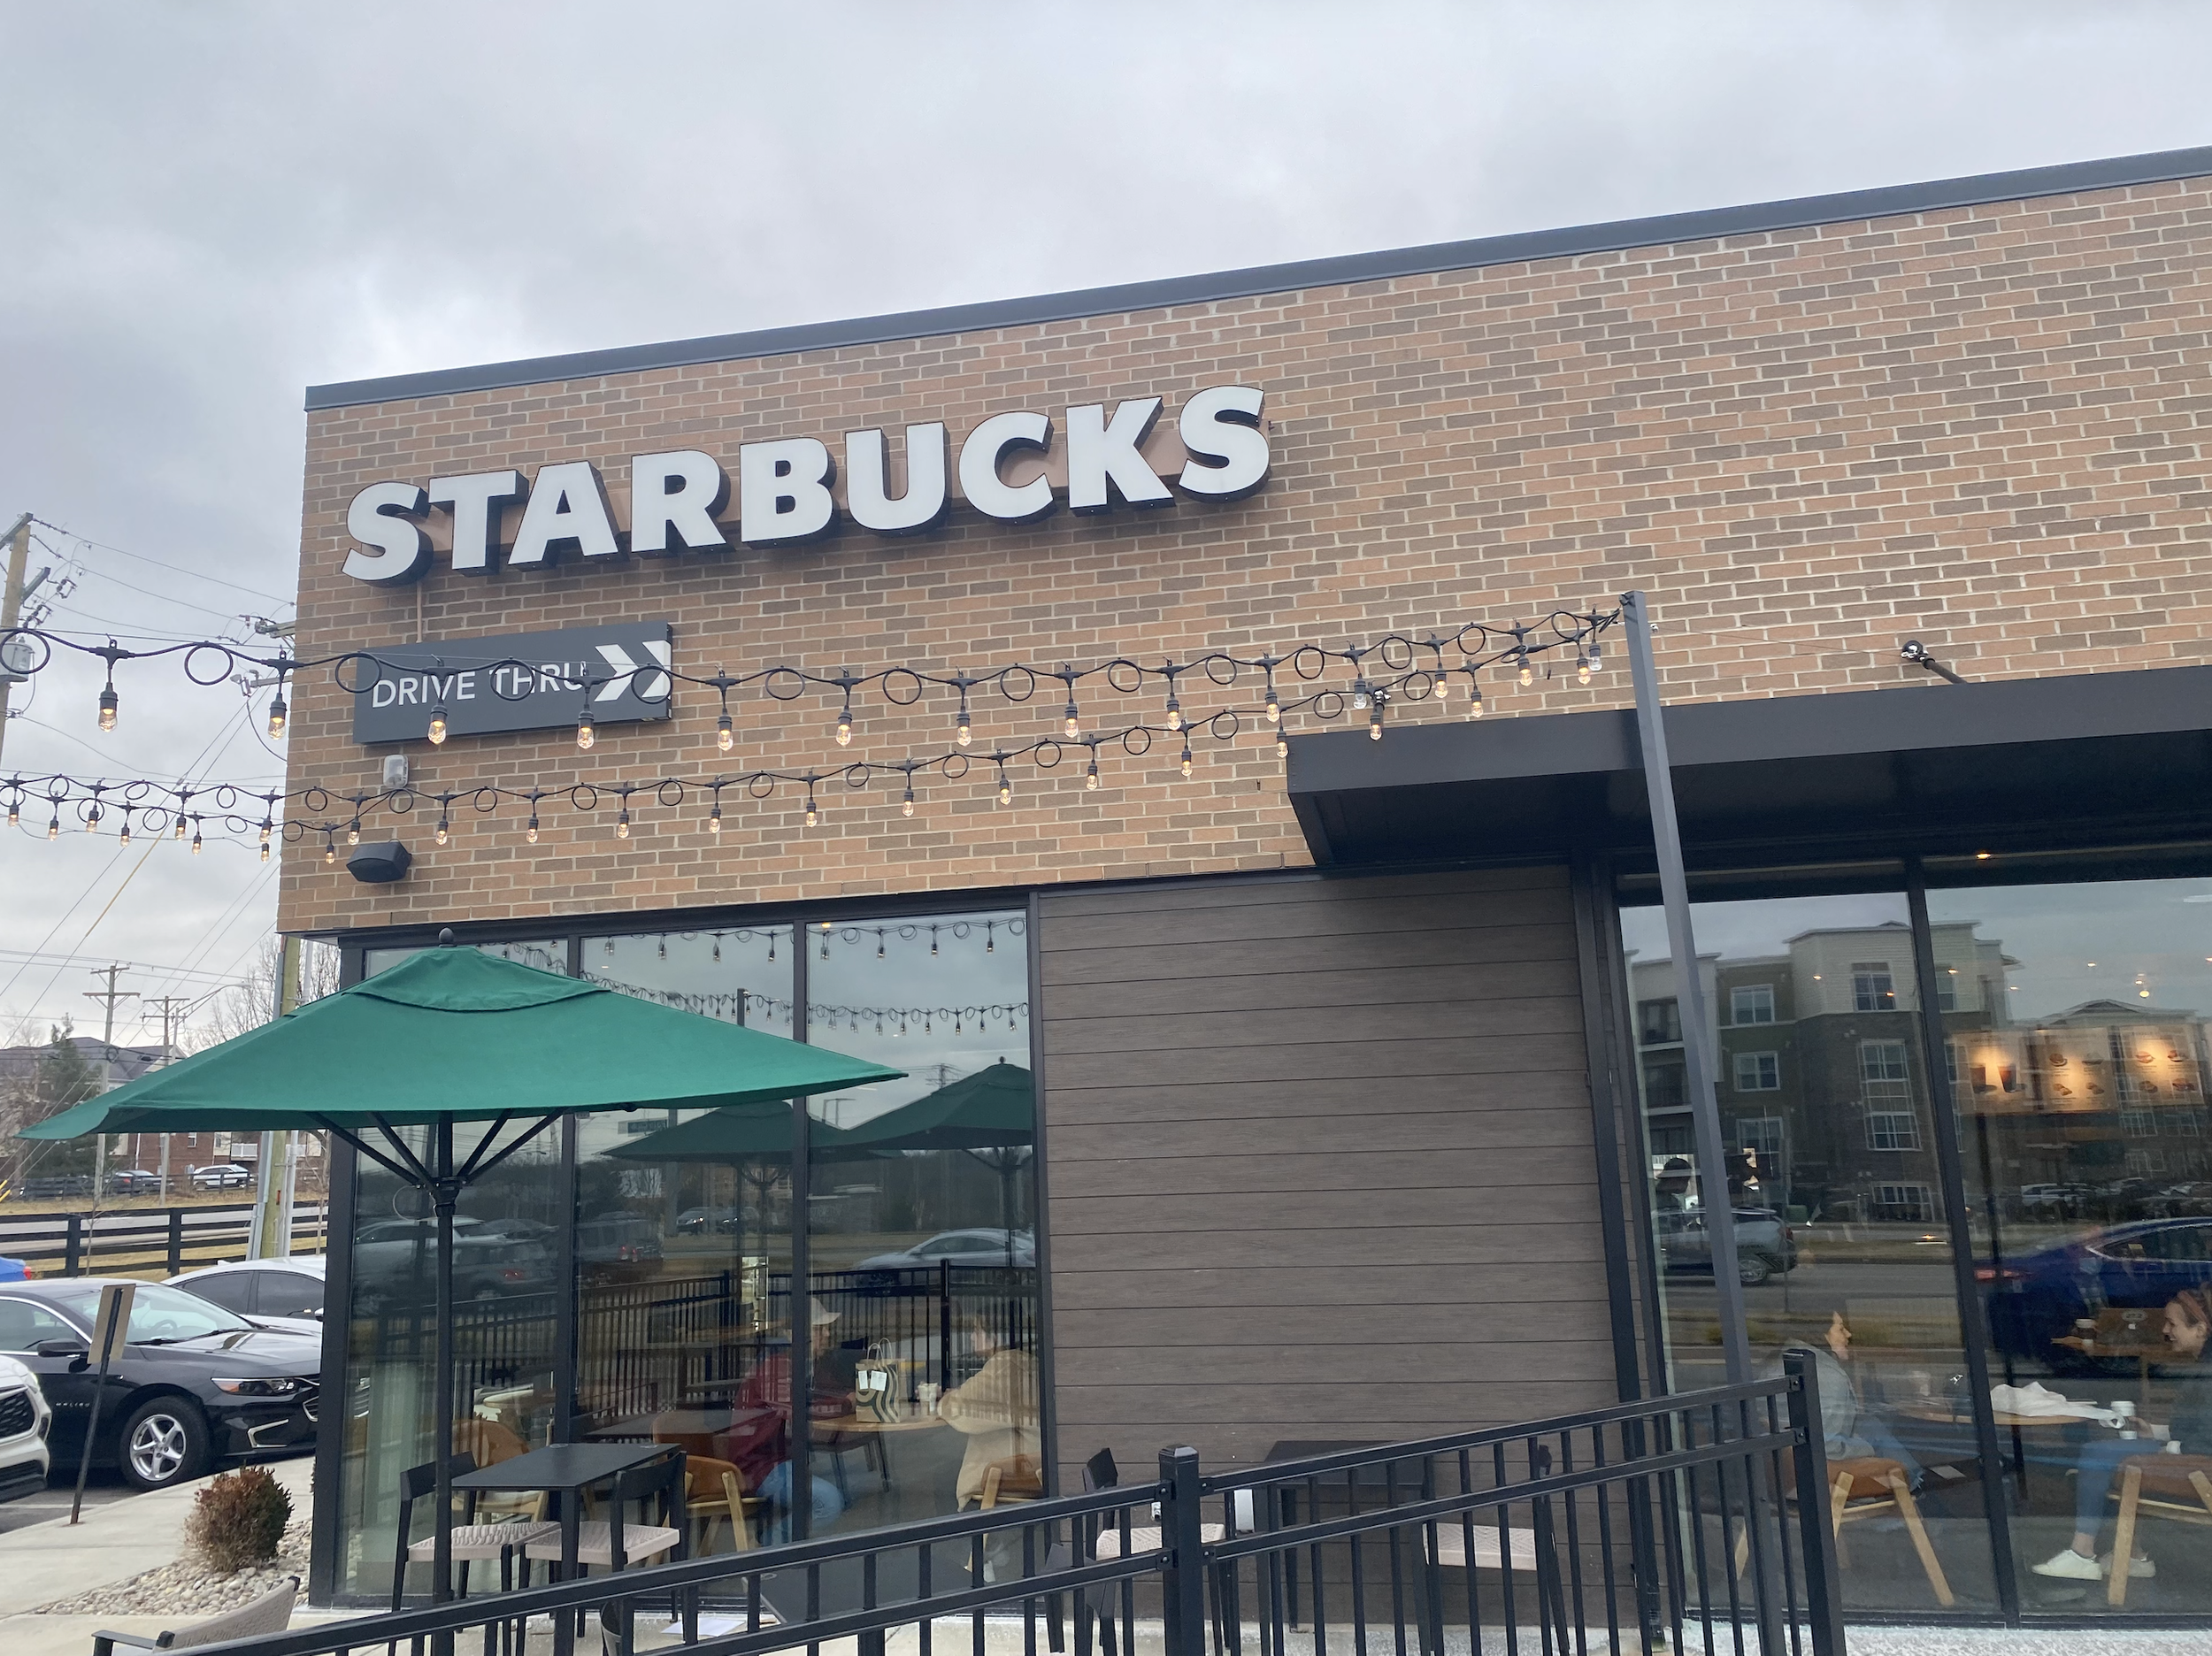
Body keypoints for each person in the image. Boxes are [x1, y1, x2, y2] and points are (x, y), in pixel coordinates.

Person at [2031, 1288, 2212, 1583]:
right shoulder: (2204, 1365)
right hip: (2196, 1461)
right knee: (2111, 1453)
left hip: (2201, 1470)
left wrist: (2166, 1447)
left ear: (2200, 1328)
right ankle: (2133, 1554)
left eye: (2172, 1324)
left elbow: (2206, 1440)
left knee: (2098, 1454)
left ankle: (2082, 1553)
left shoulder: (2209, 1372)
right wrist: (2156, 1432)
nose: (2165, 1331)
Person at [724, 1297, 854, 1540]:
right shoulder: (776, 1368)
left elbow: (822, 1397)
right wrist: (848, 1402)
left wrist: (845, 1398)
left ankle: (787, 1550)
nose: (827, 1334)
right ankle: (767, 1552)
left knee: (842, 1497)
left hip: (778, 1460)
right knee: (828, 1501)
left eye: (825, 1328)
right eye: (818, 1329)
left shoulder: (803, 1365)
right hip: (758, 1466)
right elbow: (803, 1410)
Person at [1777, 1312, 1924, 1487]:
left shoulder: (1779, 1365)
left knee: (1870, 1423)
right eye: (1840, 1329)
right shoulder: (1829, 1378)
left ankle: (1916, 1478)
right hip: (1822, 1474)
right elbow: (1828, 1447)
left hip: (1786, 1470)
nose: (1848, 1335)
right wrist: (1868, 1450)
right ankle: (1915, 1482)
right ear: (1822, 1335)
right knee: (1876, 1435)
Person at [940, 1317, 1041, 1508]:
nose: (971, 1337)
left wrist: (943, 1399)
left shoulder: (1002, 1367)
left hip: (1014, 1469)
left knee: (940, 1492)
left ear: (994, 1337)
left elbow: (959, 1407)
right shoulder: (1026, 1360)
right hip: (1036, 1461)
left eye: (977, 1332)